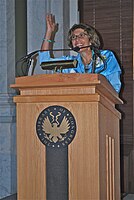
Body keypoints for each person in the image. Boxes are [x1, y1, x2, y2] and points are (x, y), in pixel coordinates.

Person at [39, 14, 121, 93]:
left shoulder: (106, 57)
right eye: (74, 37)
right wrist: (49, 32)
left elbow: (115, 88)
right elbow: (44, 62)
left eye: (81, 35)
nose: (77, 39)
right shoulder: (69, 63)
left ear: (91, 40)